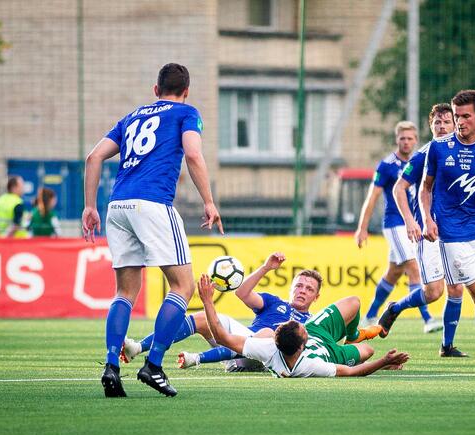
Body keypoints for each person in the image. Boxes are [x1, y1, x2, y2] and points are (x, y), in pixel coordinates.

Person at [82, 63, 222, 397]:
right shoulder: (186, 113)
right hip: (153, 204)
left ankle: (111, 367)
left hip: (117, 207)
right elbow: (193, 153)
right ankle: (154, 365)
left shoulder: (131, 117)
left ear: (155, 90)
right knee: (183, 285)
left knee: (125, 292)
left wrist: (89, 206)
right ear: (186, 91)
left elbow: (93, 158)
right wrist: (209, 200)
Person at [383, 90, 475, 372]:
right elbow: (415, 188)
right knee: (452, 292)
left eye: (461, 117)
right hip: (446, 234)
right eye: (449, 119)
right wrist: (419, 221)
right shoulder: (433, 150)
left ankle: (445, 340)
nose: (455, 124)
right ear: (432, 125)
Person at [122, 252, 381, 370]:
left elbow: (324, 351)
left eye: (309, 288)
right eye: (299, 285)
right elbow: (242, 293)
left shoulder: (310, 325)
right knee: (200, 318)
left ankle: (196, 359)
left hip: (263, 356)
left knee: (269, 333)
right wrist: (266, 269)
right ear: (291, 288)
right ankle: (139, 347)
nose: (302, 290)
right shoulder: (273, 302)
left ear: (317, 297)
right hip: (241, 343)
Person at [197, 274, 409, 378]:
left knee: (354, 301)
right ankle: (356, 337)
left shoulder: (270, 349)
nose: (302, 323)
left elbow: (222, 336)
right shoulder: (310, 365)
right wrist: (383, 362)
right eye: (301, 327)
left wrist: (208, 301)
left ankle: (352, 334)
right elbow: (353, 372)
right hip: (331, 351)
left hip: (318, 329)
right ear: (302, 345)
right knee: (368, 350)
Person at [388, 103, 467, 357]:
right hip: (427, 232)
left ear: (455, 125)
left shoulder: (464, 152)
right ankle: (395, 307)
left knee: (456, 288)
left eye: (446, 122)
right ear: (430, 126)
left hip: (455, 231)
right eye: (437, 123)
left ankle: (447, 346)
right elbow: (399, 188)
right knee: (434, 292)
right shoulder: (423, 154)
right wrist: (411, 221)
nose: (442, 127)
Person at [355, 120, 442, 333]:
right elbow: (372, 197)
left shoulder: (420, 161)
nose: (406, 142)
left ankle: (369, 316)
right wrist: (362, 227)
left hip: (414, 223)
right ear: (397, 140)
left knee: (393, 273)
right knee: (413, 267)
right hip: (395, 224)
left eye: (410, 138)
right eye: (402, 138)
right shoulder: (386, 165)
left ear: (415, 140)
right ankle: (427, 319)